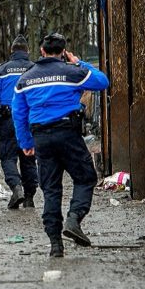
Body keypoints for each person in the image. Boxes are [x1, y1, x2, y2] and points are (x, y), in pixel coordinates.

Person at [12, 33, 109, 258]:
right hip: (68, 133)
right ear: (63, 52)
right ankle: (74, 219)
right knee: (85, 178)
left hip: (41, 139)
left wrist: (25, 142)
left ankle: (56, 245)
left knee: (51, 190)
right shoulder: (73, 72)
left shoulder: (25, 79)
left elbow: (19, 113)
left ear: (42, 51)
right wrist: (79, 62)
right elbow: (102, 81)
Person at [0, 35, 38, 209]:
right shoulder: (35, 69)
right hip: (30, 118)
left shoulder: (1, 71)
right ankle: (29, 197)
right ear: (27, 51)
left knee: (7, 156)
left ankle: (16, 187)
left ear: (11, 51)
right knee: (29, 158)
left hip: (9, 119)